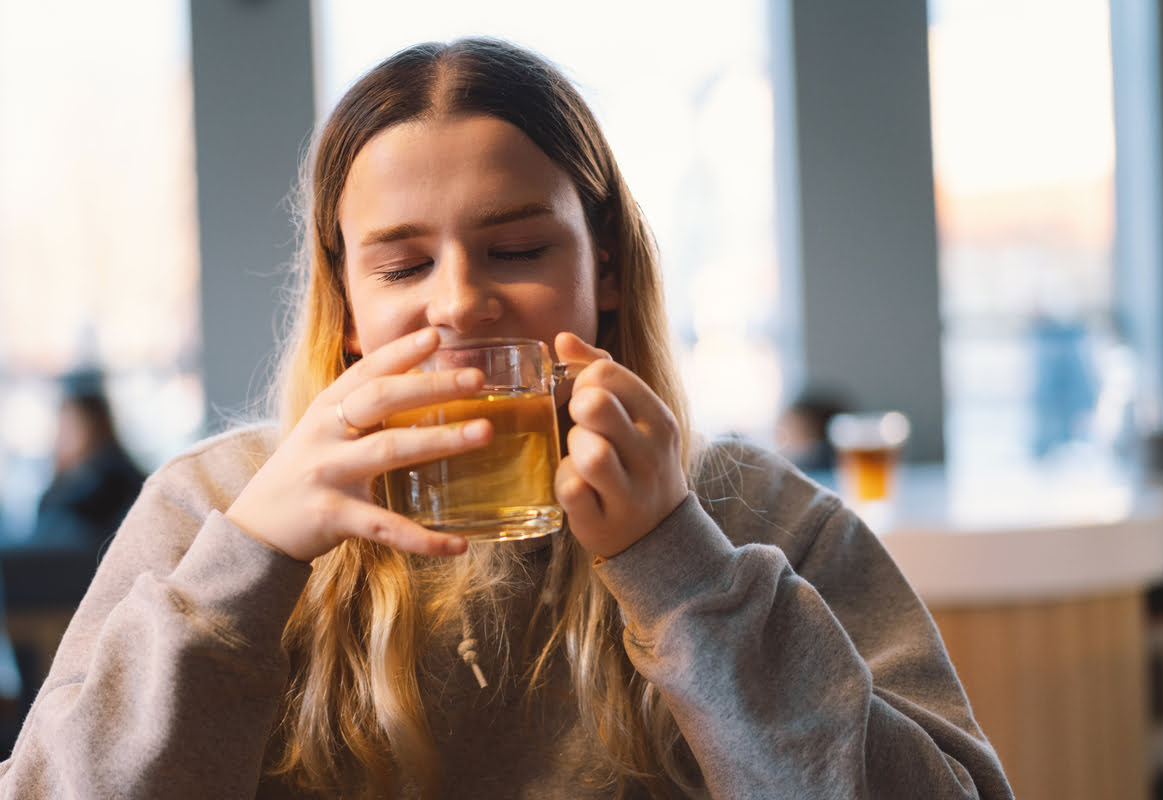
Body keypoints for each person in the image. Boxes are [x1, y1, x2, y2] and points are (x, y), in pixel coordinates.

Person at [0, 38, 1012, 799]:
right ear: (348, 307)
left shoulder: (755, 515)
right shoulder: (217, 505)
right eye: (402, 265)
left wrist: (681, 567)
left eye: (519, 249)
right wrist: (251, 563)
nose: (458, 302)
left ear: (602, 266)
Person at [32, 369, 146, 552]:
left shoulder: (115, 481)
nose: (61, 435)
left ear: (94, 425)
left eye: (69, 425)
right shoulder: (61, 485)